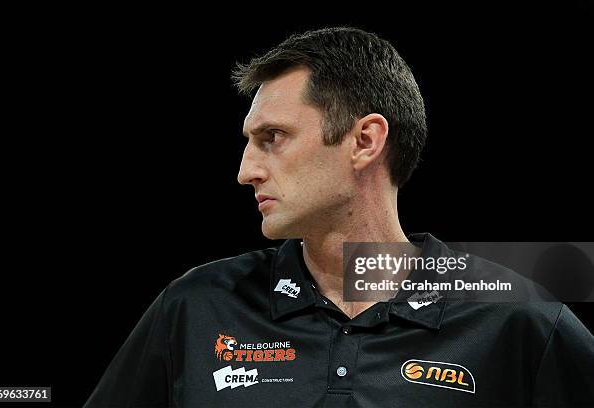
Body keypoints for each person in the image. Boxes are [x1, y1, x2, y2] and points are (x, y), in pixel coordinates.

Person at [85, 27, 594, 407]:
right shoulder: (194, 308)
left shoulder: (520, 319)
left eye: (272, 138)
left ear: (365, 141)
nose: (246, 172)